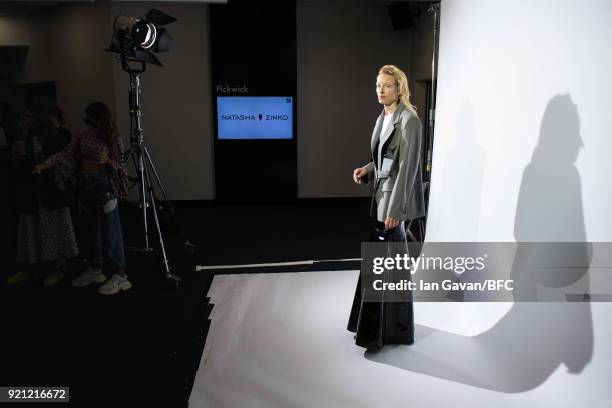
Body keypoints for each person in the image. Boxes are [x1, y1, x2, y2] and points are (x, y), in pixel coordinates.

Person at [347, 64, 425, 351]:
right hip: (383, 197)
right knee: (383, 266)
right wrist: (366, 170)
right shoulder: (384, 117)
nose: (380, 90)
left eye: (387, 86)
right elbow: (384, 160)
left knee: (390, 268)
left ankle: (384, 332)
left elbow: (407, 169)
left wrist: (396, 210)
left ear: (399, 88)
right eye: (378, 85)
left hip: (394, 205)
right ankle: (377, 329)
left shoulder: (410, 120)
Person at [33, 102, 131, 295]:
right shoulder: (83, 135)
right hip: (86, 188)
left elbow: (121, 167)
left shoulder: (113, 138)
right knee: (91, 232)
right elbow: (67, 154)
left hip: (105, 188)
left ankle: (120, 274)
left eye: (91, 119)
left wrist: (108, 161)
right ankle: (96, 269)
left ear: (101, 118)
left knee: (111, 232)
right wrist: (46, 164)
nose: (89, 123)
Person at [7, 105, 79, 286]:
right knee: (30, 231)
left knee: (54, 231)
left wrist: (43, 165)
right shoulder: (26, 137)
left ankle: (58, 268)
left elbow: (63, 162)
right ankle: (31, 268)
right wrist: (18, 160)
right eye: (25, 116)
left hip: (49, 192)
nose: (26, 120)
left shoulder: (53, 137)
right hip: (30, 192)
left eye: (30, 116)